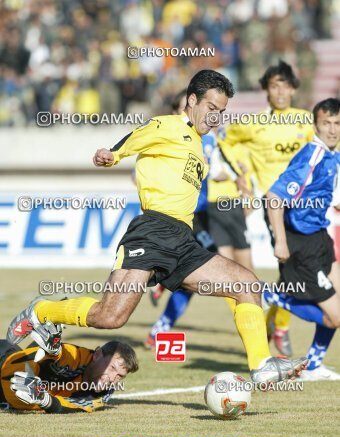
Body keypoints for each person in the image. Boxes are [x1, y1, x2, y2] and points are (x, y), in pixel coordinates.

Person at [7, 69, 307, 385]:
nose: (215, 117)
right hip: (151, 232)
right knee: (110, 317)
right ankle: (43, 312)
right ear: (192, 100)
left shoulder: (200, 146)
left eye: (221, 111)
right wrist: (112, 154)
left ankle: (260, 367)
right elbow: (135, 138)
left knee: (246, 284)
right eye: (211, 108)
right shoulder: (168, 125)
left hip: (184, 240)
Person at [218, 61, 314, 357]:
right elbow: (225, 141)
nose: (280, 91)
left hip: (310, 207)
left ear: (294, 88)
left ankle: (273, 320)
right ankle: (280, 327)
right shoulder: (253, 123)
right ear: (266, 90)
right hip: (276, 206)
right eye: (274, 85)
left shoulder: (308, 121)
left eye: (285, 85)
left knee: (303, 270)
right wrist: (241, 173)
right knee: (293, 267)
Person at [265, 98, 340, 381]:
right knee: (336, 316)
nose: (332, 129)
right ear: (316, 125)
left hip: (321, 236)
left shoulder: (334, 156)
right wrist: (280, 241)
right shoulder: (312, 155)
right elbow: (274, 197)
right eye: (326, 123)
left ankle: (314, 365)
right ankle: (271, 296)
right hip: (301, 240)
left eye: (337, 123)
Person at [145, 88, 217, 347]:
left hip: (203, 215)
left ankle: (161, 285)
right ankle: (160, 285)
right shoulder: (167, 136)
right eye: (177, 110)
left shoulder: (207, 139)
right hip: (180, 216)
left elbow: (217, 170)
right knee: (197, 271)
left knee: (198, 272)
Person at [1, 322, 138, 413]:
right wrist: (54, 351)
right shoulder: (78, 356)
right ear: (97, 355)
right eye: (112, 367)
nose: (113, 378)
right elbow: (63, 354)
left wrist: (45, 400)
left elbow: (72, 407)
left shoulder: (102, 393)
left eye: (120, 376)